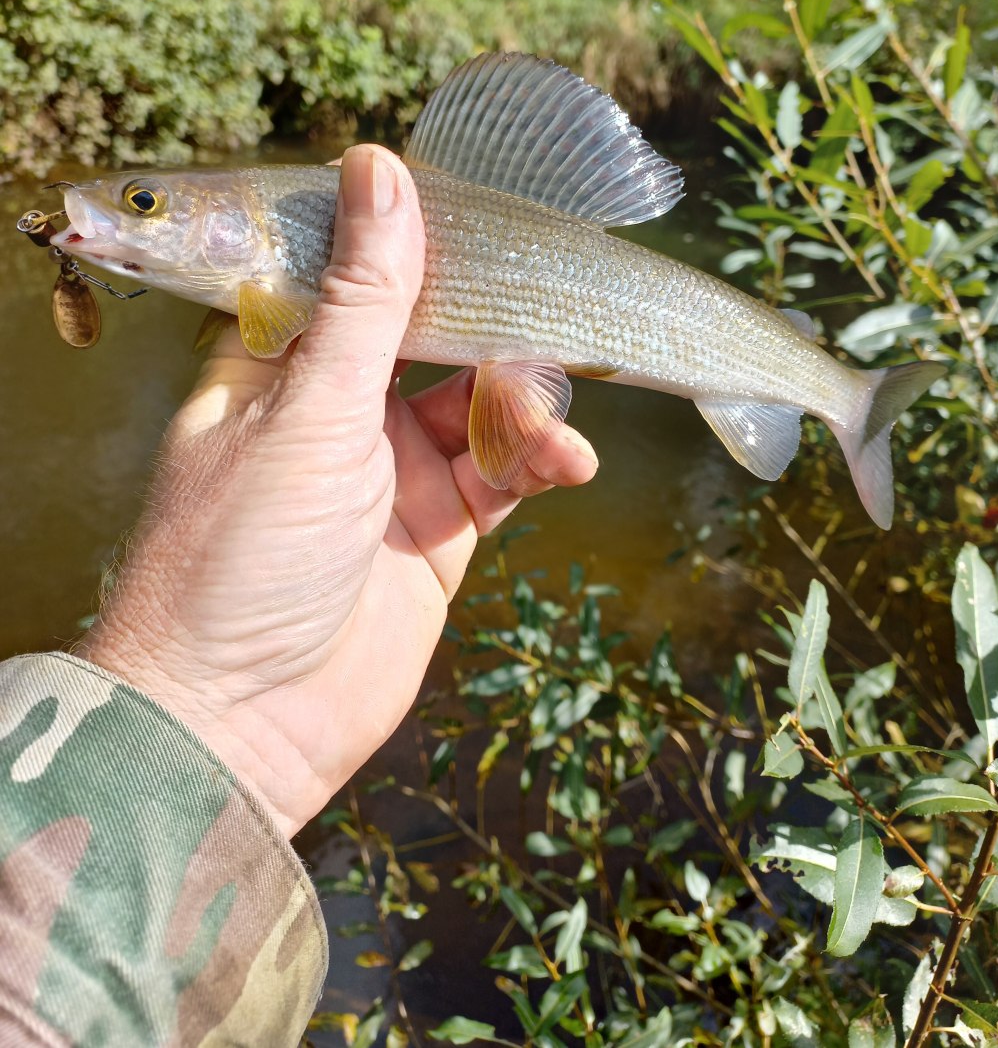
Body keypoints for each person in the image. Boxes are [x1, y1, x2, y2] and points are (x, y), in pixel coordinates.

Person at [0, 146, 599, 1046]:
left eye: (145, 202)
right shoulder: (257, 298)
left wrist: (194, 700)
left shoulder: (284, 271)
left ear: (244, 219)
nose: (117, 214)